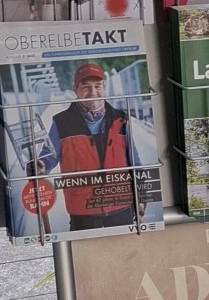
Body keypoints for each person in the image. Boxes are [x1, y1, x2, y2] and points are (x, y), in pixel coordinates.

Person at [44, 62, 140, 231]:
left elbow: (135, 163)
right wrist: (39, 166)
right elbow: (48, 157)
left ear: (104, 88)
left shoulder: (121, 119)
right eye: (86, 87)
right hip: (83, 213)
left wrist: (142, 199)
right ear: (75, 89)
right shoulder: (61, 122)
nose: (93, 92)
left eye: (97, 86)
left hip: (121, 208)